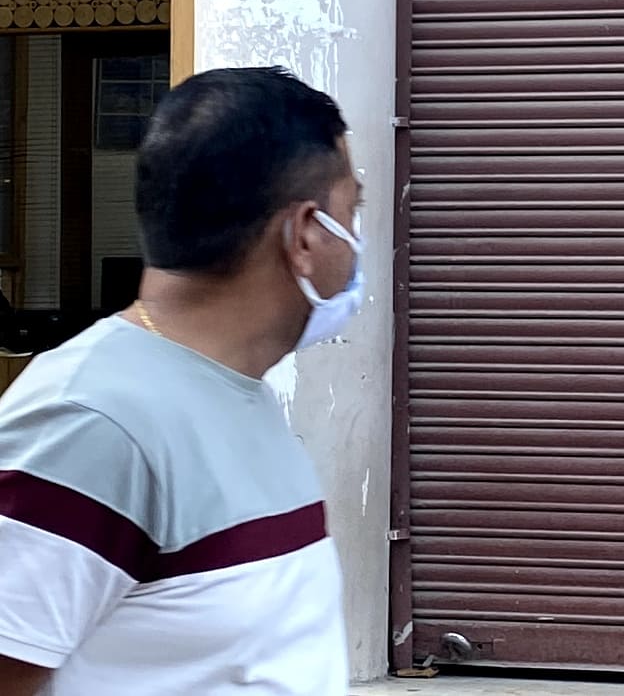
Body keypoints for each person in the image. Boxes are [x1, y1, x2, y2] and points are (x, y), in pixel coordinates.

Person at [0, 66, 363, 695]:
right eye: (352, 211)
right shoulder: (91, 421)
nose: (357, 241)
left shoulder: (234, 389)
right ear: (305, 233)